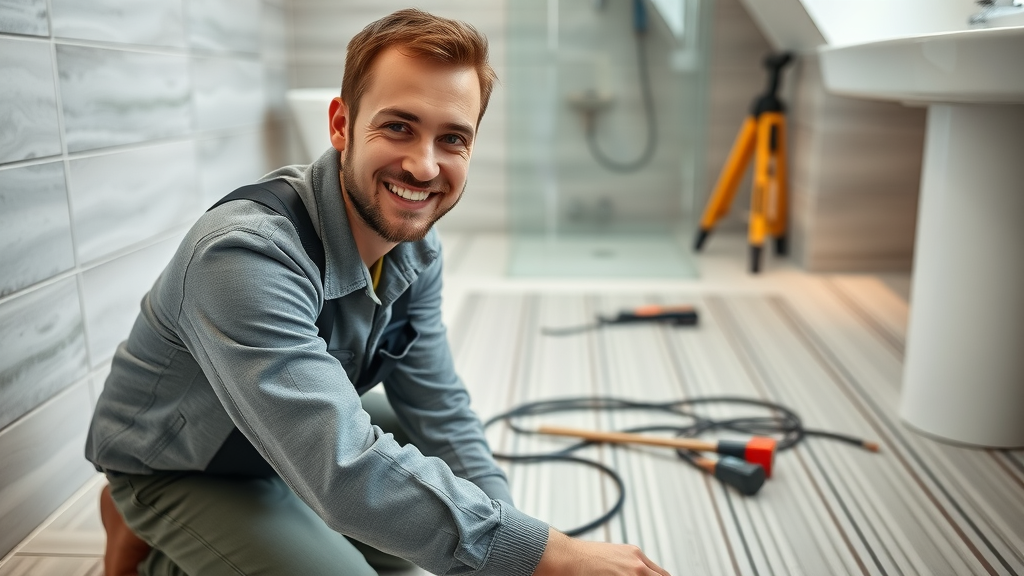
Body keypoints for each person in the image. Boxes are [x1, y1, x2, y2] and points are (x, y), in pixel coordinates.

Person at [87, 8, 672, 576]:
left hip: (291, 432)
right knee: (381, 520)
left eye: (452, 139)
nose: (423, 166)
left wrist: (513, 547)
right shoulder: (244, 255)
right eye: (398, 127)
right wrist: (547, 555)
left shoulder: (416, 248)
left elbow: (438, 404)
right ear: (341, 125)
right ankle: (150, 536)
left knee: (428, 511)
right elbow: (342, 471)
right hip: (188, 462)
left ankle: (274, 528)